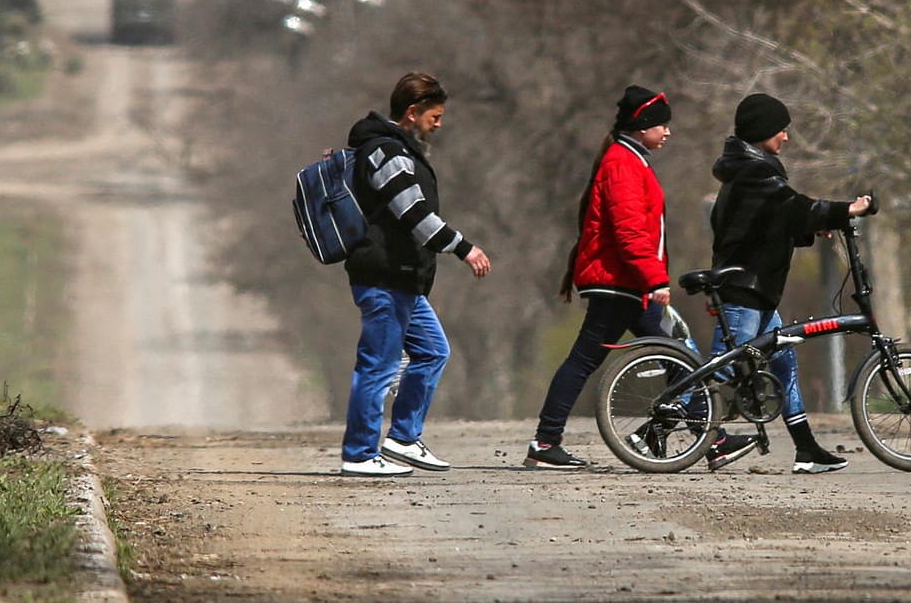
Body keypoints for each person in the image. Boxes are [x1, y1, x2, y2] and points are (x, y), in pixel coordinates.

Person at [524, 87, 755, 471]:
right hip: (620, 283)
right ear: (642, 126)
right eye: (662, 125)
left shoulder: (631, 160)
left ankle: (711, 438)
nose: (667, 132)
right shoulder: (623, 164)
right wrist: (654, 280)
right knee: (607, 358)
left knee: (677, 355)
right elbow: (628, 232)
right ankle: (546, 442)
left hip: (625, 283)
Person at [709, 92, 873, 474]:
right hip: (744, 288)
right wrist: (842, 211)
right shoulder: (755, 172)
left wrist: (813, 229)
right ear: (762, 131)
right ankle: (679, 433)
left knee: (783, 361)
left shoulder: (751, 168)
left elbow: (770, 222)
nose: (786, 137)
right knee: (721, 369)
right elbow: (794, 207)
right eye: (781, 130)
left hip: (759, 288)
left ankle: (806, 448)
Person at [338, 71, 491, 477]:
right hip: (384, 277)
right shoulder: (387, 152)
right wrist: (464, 248)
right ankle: (359, 454)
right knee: (378, 366)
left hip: (404, 279)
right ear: (412, 112)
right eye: (435, 116)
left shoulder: (399, 149)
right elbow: (413, 213)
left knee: (432, 351)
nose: (439, 124)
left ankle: (403, 437)